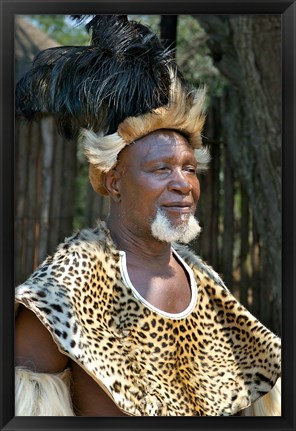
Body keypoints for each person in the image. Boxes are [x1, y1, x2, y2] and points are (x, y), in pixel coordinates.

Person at [15, 15, 281, 417]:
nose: (183, 184)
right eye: (160, 170)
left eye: (189, 168)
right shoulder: (63, 290)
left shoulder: (207, 286)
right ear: (115, 182)